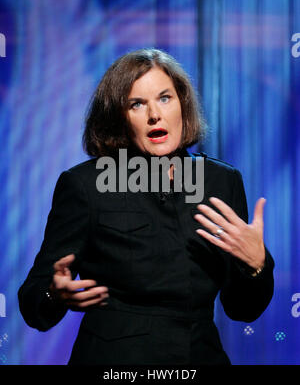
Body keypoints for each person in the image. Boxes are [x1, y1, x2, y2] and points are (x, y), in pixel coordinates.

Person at [18, 48, 274, 365]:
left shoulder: (221, 182)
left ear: (183, 105)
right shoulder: (85, 186)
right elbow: (33, 305)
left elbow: (244, 310)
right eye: (137, 104)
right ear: (118, 118)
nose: (155, 114)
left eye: (165, 98)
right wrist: (53, 295)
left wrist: (256, 266)